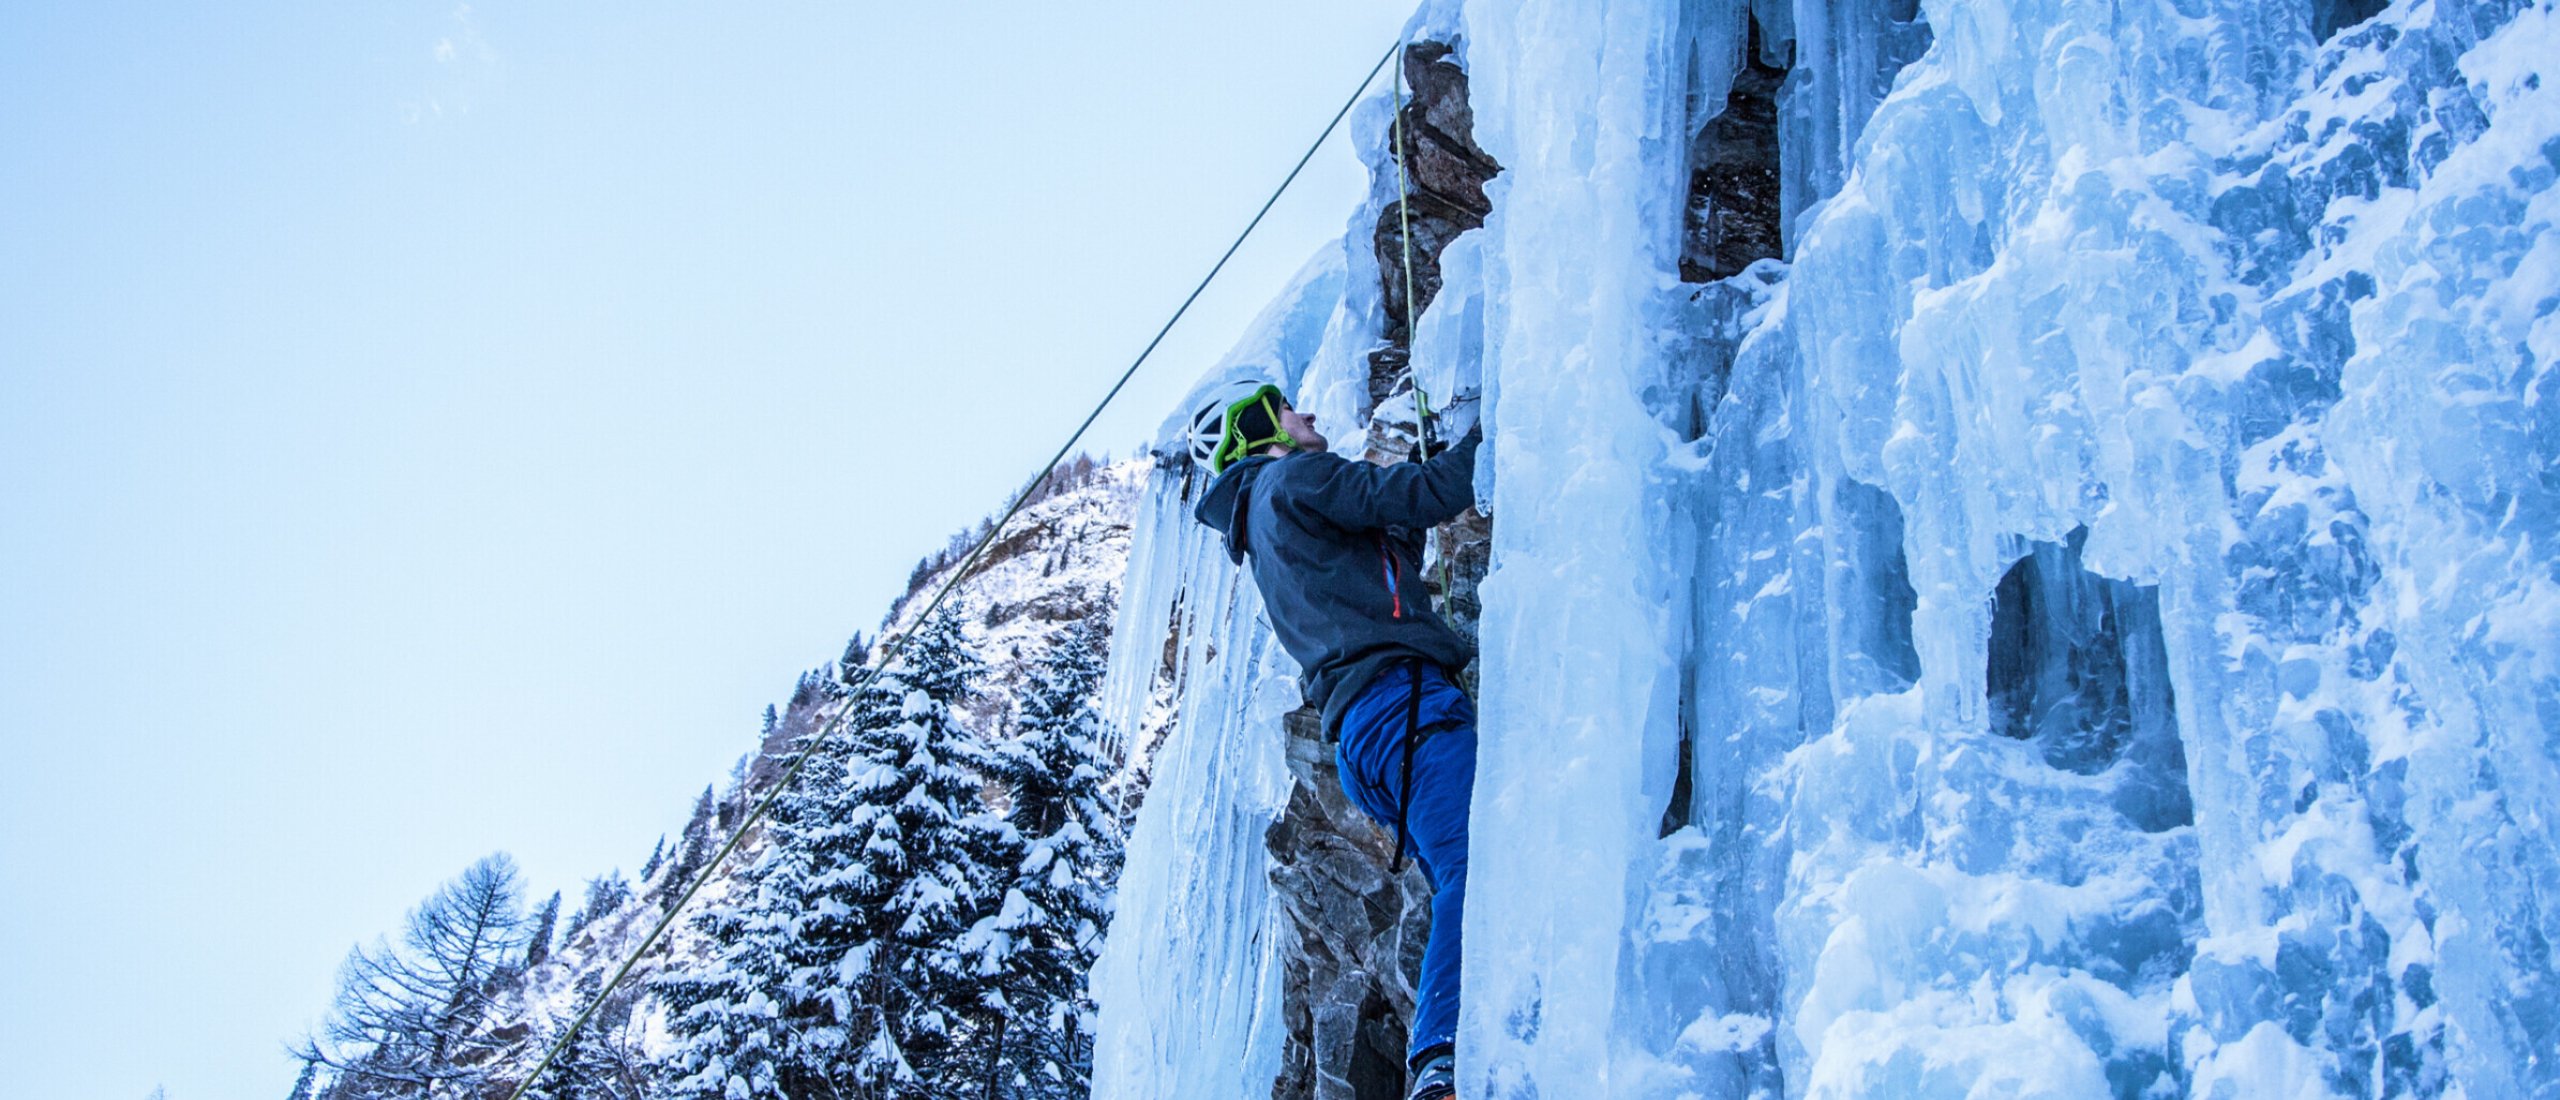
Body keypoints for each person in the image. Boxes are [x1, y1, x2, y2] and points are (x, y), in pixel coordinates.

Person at [1185, 379, 1480, 1100]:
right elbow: (1421, 496)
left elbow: (1390, 554)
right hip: (1404, 707)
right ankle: (1439, 1063)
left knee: (1459, 872)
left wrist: (1415, 491)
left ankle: (1450, 1050)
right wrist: (1497, 429)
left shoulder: (1264, 523)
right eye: (1290, 409)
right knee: (1479, 862)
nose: (1309, 414)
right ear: (1264, 432)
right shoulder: (1295, 475)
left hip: (1365, 742)